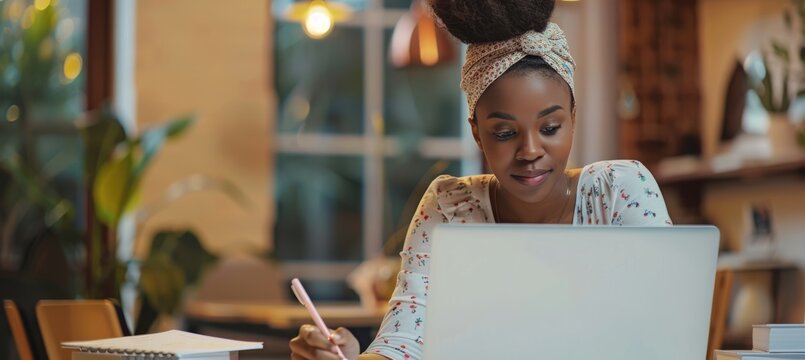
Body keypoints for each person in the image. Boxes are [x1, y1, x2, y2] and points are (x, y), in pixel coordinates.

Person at [289, 0, 672, 359]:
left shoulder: (620, 190)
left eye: (551, 127)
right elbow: (404, 340)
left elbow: (666, 331)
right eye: (505, 133)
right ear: (477, 133)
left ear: (573, 118)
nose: (530, 151)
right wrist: (357, 354)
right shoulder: (449, 206)